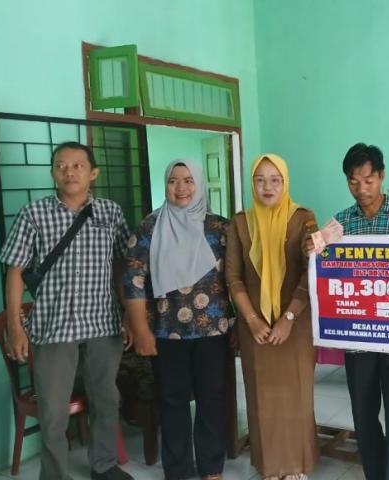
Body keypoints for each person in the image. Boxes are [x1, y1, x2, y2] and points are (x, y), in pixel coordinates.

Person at [0, 142, 133, 480]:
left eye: (77, 165)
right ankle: (54, 474)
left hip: (103, 323)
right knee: (53, 411)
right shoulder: (34, 214)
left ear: (93, 173)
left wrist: (129, 314)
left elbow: (122, 265)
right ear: (52, 173)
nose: (69, 172)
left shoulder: (110, 213)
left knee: (106, 400)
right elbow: (15, 271)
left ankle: (104, 466)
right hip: (53, 326)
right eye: (61, 166)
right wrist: (15, 327)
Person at [309, 143, 389, 480]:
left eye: (368, 180)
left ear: (382, 176)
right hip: (358, 338)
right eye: (353, 181)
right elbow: (324, 269)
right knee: (363, 415)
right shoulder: (340, 223)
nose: (361, 189)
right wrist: (314, 246)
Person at [124, 160, 232, 480]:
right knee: (172, 400)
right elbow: (133, 281)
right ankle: (177, 469)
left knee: (212, 398)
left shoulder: (220, 228)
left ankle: (212, 466)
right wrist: (141, 330)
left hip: (213, 331)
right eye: (173, 181)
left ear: (199, 184)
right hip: (166, 331)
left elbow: (238, 278)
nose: (181, 187)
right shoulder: (149, 228)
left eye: (188, 180)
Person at [225, 154, 319, 480]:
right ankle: (269, 467)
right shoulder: (240, 223)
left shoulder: (303, 218)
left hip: (296, 322)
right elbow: (233, 277)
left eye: (275, 180)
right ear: (252, 183)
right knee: (261, 397)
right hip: (255, 326)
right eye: (260, 180)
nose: (268, 187)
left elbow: (311, 272)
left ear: (285, 183)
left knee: (296, 394)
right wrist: (252, 320)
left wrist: (288, 317)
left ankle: (295, 465)